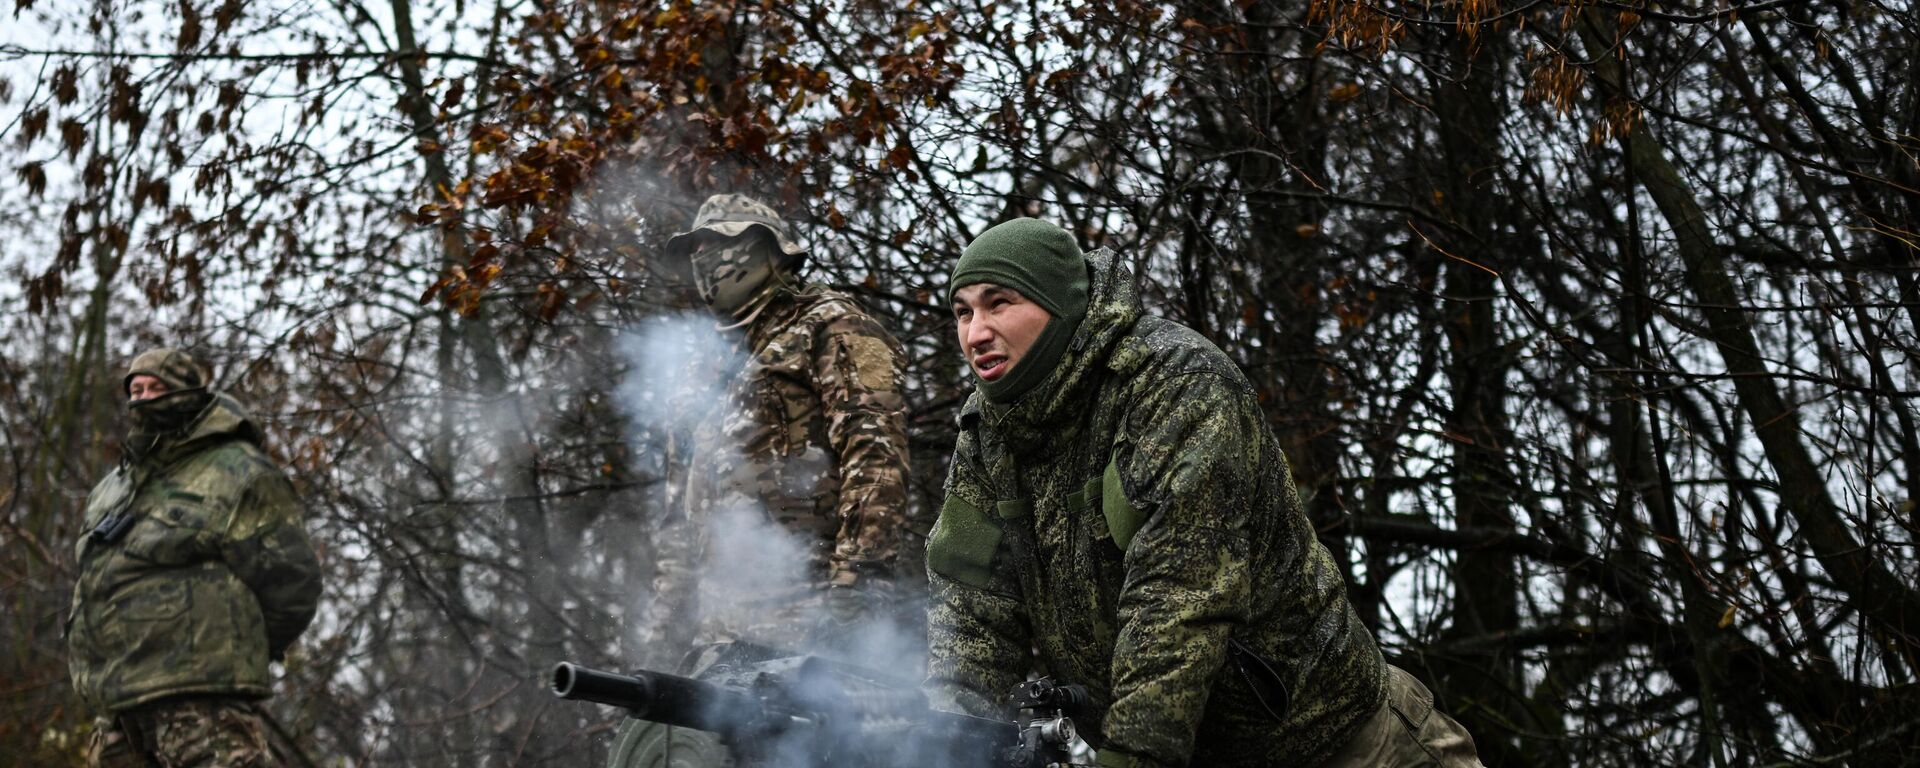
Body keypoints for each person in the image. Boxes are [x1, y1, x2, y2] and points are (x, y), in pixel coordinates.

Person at [925, 218, 1482, 767]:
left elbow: (1179, 600)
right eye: (963, 312)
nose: (976, 332)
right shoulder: (988, 435)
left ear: (1058, 305)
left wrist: (1130, 758)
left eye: (999, 304)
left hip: (1349, 746)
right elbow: (971, 607)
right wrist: (953, 747)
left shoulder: (1178, 386)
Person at [611, 194, 914, 766]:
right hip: (718, 638)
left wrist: (852, 595)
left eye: (717, 244)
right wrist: (661, 640)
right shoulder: (701, 364)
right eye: (695, 249)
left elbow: (875, 462)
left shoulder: (833, 325)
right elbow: (680, 520)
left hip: (808, 621)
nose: (704, 260)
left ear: (764, 248)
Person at [68, 347, 323, 768]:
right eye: (137, 389)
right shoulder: (112, 488)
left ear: (188, 392)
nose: (145, 398)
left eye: (157, 388)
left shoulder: (237, 470)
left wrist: (243, 647)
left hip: (202, 703)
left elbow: (292, 579)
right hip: (117, 709)